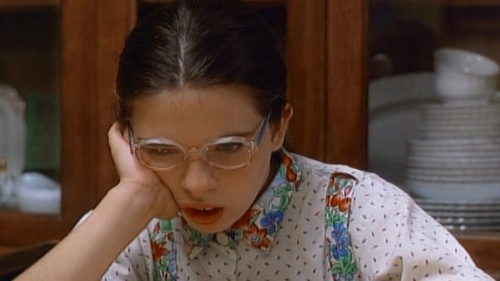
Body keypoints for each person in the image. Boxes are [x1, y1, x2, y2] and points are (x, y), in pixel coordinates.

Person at [16, 0, 494, 280]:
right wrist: (132, 198)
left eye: (228, 147)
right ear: (126, 138)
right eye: (162, 150)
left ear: (279, 125)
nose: (197, 184)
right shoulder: (133, 226)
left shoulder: (355, 215)